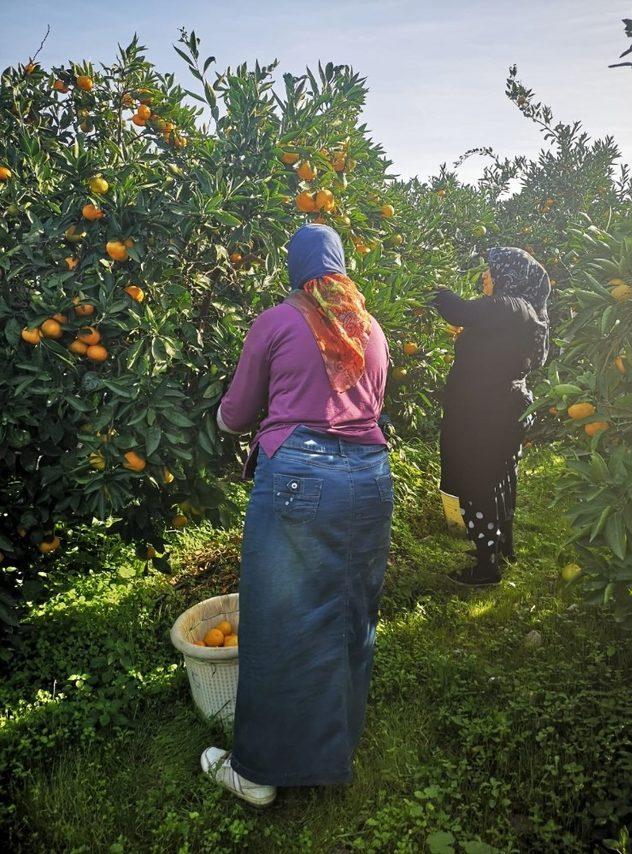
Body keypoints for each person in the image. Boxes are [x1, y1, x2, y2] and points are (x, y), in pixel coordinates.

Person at [201, 224, 392, 807]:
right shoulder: (371, 328)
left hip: (301, 477)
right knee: (350, 612)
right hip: (370, 476)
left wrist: (218, 422)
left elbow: (236, 413)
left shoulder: (279, 321)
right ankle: (334, 746)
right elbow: (371, 405)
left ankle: (257, 772)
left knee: (280, 619)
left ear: (296, 270)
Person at [432, 246, 550, 587]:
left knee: (477, 482)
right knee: (500, 481)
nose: (485, 275)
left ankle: (486, 568)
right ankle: (499, 549)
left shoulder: (507, 305)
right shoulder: (522, 310)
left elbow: (458, 310)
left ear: (508, 275)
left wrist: (430, 289)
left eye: (490, 270)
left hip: (486, 413)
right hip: (503, 410)